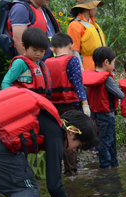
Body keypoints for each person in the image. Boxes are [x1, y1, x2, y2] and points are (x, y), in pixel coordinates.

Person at [0, 87, 99, 197]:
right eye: (78, 146)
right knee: (28, 190)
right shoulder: (56, 134)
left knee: (26, 188)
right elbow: (54, 186)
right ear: (72, 132)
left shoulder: (45, 119)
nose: (73, 150)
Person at [45, 32, 90, 176]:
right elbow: (78, 84)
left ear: (52, 49)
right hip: (70, 105)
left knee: (58, 136)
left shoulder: (46, 62)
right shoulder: (73, 60)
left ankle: (57, 171)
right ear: (71, 46)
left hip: (53, 106)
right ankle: (71, 171)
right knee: (72, 136)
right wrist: (85, 104)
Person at [82, 46, 124, 169]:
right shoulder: (106, 79)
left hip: (95, 114)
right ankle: (106, 168)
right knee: (107, 142)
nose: (114, 65)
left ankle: (112, 166)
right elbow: (120, 95)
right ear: (106, 62)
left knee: (104, 140)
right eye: (114, 62)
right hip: (107, 115)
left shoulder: (90, 77)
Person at [1, 27, 51, 98]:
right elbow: (6, 82)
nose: (38, 54)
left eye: (42, 51)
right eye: (34, 50)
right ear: (24, 46)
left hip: (37, 102)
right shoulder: (20, 63)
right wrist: (10, 98)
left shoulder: (39, 64)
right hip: (22, 101)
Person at [67, 0, 105, 71]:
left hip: (100, 68)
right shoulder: (75, 25)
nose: (96, 9)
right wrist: (81, 72)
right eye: (95, 6)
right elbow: (74, 52)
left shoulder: (94, 25)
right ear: (87, 8)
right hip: (87, 70)